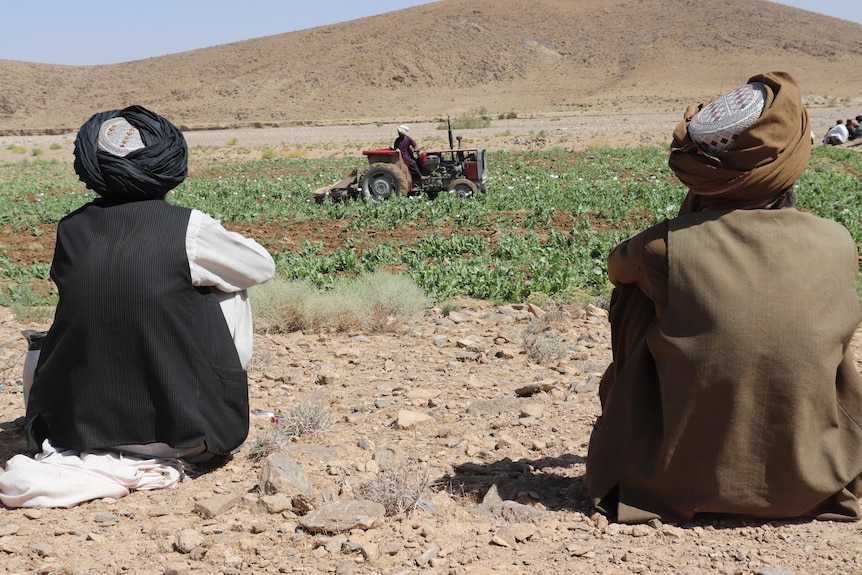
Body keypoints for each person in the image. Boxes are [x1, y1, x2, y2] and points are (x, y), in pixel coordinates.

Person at [586, 72, 862, 524]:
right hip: (814, 483)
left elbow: (617, 267)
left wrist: (677, 236)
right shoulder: (837, 240)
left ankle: (642, 449)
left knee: (635, 294)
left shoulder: (664, 247)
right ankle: (816, 450)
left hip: (673, 485)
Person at [23, 105, 275, 465]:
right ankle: (216, 402)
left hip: (77, 434)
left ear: (91, 169)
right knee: (228, 284)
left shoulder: (71, 229)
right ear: (168, 166)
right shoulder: (188, 229)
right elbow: (261, 266)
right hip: (183, 437)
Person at [393, 124, 423, 191]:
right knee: (413, 163)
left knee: (418, 162)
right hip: (402, 156)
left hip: (408, 155)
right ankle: (420, 176)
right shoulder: (397, 140)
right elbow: (395, 148)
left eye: (399, 132)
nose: (398, 133)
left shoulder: (408, 139)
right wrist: (397, 150)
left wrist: (415, 148)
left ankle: (417, 176)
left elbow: (414, 145)